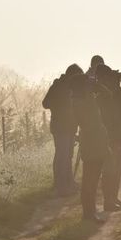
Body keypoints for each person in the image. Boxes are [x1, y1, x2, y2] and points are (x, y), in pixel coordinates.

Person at [69, 73, 111, 223]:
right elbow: (106, 94)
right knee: (90, 179)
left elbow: (106, 94)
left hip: (94, 141)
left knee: (91, 178)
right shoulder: (82, 100)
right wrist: (93, 85)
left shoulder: (81, 98)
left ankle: (90, 212)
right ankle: (88, 213)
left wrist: (92, 84)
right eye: (86, 83)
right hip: (93, 141)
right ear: (82, 86)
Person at [42, 64, 83, 197]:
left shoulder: (71, 87)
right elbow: (45, 103)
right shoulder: (58, 86)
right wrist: (60, 104)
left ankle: (68, 182)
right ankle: (60, 186)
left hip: (69, 127)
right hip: (60, 127)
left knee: (68, 155)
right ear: (72, 75)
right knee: (62, 155)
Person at [95, 64, 121, 212]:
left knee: (118, 169)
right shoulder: (100, 93)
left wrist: (117, 86)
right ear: (103, 77)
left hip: (119, 135)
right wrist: (113, 87)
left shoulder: (113, 90)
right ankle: (108, 202)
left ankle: (113, 198)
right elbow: (108, 110)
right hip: (110, 136)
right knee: (110, 170)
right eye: (108, 76)